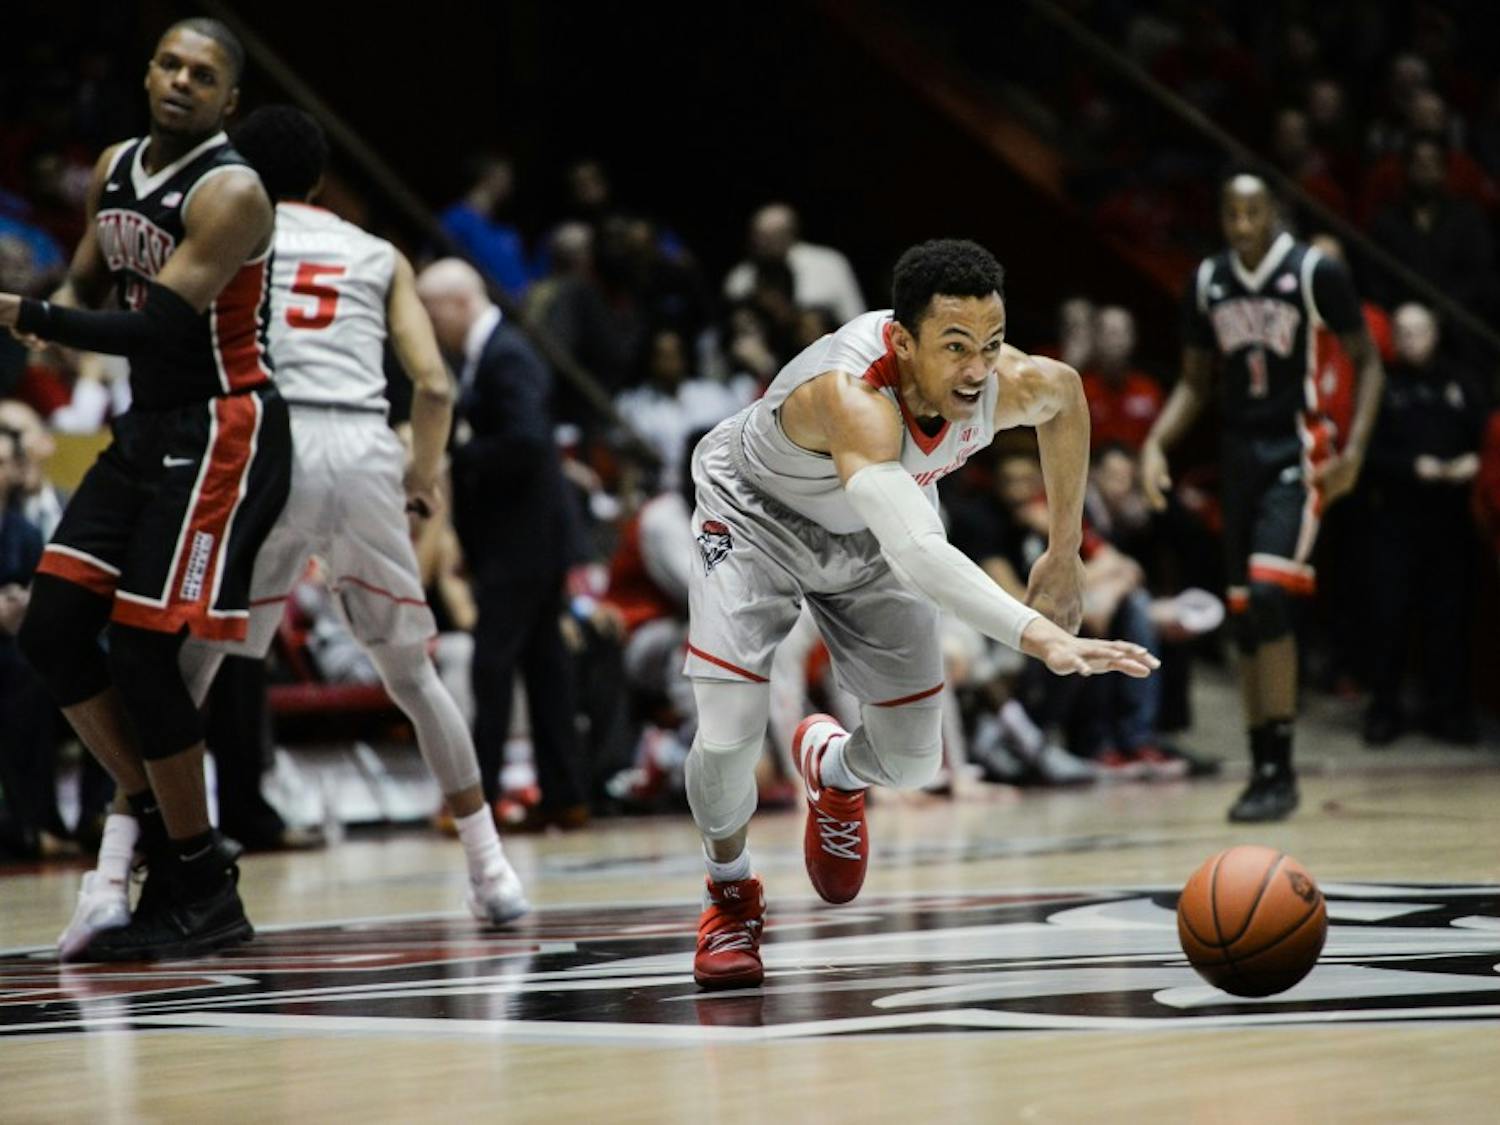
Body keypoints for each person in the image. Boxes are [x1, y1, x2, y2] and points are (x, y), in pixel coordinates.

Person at [683, 239, 1157, 990]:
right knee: (727, 737)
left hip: (875, 529)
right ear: (904, 342)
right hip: (755, 520)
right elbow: (917, 553)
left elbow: (1065, 396)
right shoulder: (853, 395)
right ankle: (730, 895)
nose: (979, 369)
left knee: (913, 759)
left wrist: (1063, 552)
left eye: (992, 344)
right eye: (956, 347)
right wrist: (1037, 633)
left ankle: (832, 768)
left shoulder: (1005, 380)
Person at [0, 19, 293, 960]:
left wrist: (35, 317)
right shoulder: (116, 164)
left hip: (222, 427)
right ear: (147, 70)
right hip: (146, 428)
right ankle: (180, 844)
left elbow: (163, 324)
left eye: (202, 75)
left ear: (228, 102)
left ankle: (200, 880)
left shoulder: (234, 189)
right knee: (47, 627)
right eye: (169, 64)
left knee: (140, 652)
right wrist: (37, 298)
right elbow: (86, 281)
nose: (179, 82)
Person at [1141, 172, 1385, 823]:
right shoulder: (1206, 282)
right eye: (1232, 213)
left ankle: (1281, 763)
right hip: (1237, 454)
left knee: (1273, 598)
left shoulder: (1313, 273)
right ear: (1221, 217)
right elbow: (1195, 383)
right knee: (1247, 615)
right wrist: (1156, 443)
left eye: (1254, 212)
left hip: (1298, 449)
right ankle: (1262, 767)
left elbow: (1369, 361)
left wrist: (1354, 450)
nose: (1243, 224)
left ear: (1273, 212)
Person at [416, 258, 590, 829]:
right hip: (528, 540)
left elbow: (527, 441)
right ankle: (566, 795)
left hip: (522, 543)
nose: (425, 322)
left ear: (460, 301)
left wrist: (456, 458)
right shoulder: (490, 356)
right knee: (546, 667)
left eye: (430, 308)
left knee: (493, 666)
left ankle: (478, 797)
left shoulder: (505, 355)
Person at [1358, 303, 1485, 746]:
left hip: (1450, 521)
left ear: (1436, 333)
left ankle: (1448, 712)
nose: (1411, 340)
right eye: (1402, 332)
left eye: (1419, 331)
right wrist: (1412, 467)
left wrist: (1475, 463)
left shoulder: (1462, 383)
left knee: (1448, 620)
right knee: (1388, 618)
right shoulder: (1382, 386)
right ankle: (1384, 710)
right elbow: (1363, 454)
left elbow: (1485, 437)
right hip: (1395, 516)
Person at [722, 203, 865, 323]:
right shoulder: (740, 277)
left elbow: (854, 316)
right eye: (761, 236)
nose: (766, 243)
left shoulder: (829, 262)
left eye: (776, 234)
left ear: (792, 232)